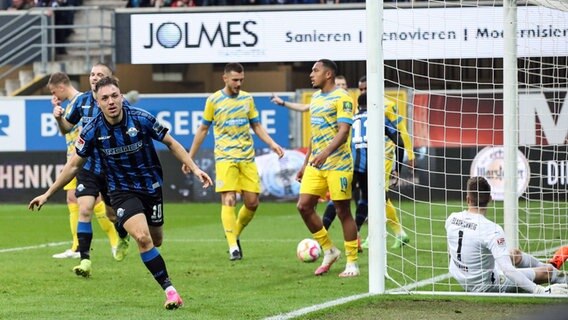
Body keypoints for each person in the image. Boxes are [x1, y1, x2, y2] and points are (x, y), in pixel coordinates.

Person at [29, 76, 213, 309]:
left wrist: (195, 169)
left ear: (122, 96)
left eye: (114, 96)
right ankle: (170, 291)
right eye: (105, 98)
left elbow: (172, 143)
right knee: (143, 238)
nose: (111, 101)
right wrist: (47, 193)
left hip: (151, 187)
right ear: (98, 102)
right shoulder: (93, 129)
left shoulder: (141, 118)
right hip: (121, 191)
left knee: (157, 240)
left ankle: (119, 227)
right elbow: (74, 165)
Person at [183, 62, 284, 261]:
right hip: (225, 157)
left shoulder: (248, 99)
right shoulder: (214, 100)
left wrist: (272, 143)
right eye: (235, 80)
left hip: (247, 157)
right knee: (229, 198)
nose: (238, 83)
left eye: (241, 80)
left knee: (252, 203)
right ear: (225, 78)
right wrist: (189, 157)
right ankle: (233, 248)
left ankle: (234, 234)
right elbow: (203, 130)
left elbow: (256, 126)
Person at [52, 63, 129, 270]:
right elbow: (66, 128)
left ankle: (122, 235)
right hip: (88, 165)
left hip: (112, 166)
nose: (94, 77)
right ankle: (84, 259)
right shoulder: (82, 101)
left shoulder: (120, 102)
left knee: (114, 215)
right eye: (92, 74)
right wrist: (59, 118)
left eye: (100, 74)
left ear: (108, 80)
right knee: (84, 209)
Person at [445, 176, 568, 294]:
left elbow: (451, 253)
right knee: (548, 272)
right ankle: (555, 272)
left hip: (462, 277)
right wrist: (540, 290)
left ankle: (549, 264)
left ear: (467, 199)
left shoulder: (452, 218)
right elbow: (508, 270)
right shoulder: (492, 229)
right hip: (487, 285)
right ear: (490, 199)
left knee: (515, 254)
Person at [295, 59, 359, 277]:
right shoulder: (315, 98)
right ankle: (329, 250)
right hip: (316, 163)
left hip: (338, 164)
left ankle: (352, 262)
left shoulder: (343, 98)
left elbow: (343, 132)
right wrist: (306, 163)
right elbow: (315, 135)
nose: (311, 74)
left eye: (316, 70)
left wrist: (324, 154)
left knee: (342, 211)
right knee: (304, 206)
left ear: (329, 74)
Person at [320, 93, 407, 253]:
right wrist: (398, 169)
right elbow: (400, 142)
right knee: (369, 199)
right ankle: (358, 233)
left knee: (337, 200)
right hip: (372, 168)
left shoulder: (350, 119)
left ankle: (321, 236)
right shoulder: (379, 118)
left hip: (350, 166)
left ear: (358, 106)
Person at [357, 75, 415, 249]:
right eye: (360, 89)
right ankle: (399, 234)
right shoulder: (362, 105)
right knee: (379, 196)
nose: (363, 92)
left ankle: (374, 236)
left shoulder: (388, 104)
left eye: (366, 88)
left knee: (377, 195)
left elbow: (401, 130)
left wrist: (409, 155)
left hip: (386, 154)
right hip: (370, 156)